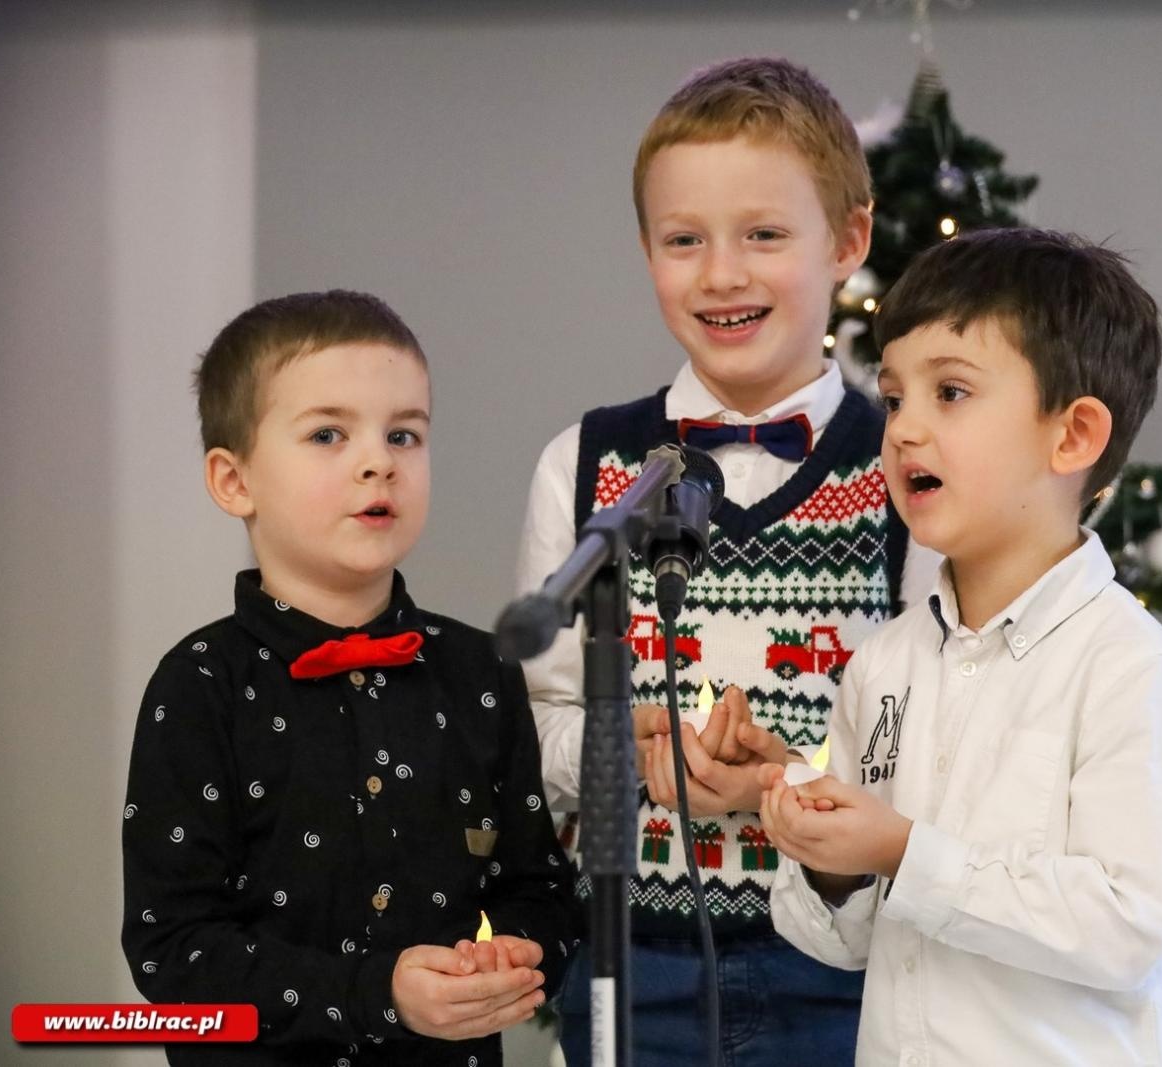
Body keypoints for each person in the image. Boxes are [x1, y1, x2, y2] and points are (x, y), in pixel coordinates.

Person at [516, 57, 938, 1067]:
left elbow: (931, 744)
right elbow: (539, 727)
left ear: (848, 239)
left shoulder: (909, 470)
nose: (721, 274)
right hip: (631, 959)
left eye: (763, 234)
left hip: (846, 969)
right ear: (646, 252)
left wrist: (778, 783)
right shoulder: (582, 462)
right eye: (683, 240)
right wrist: (634, 763)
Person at [760, 228, 1162, 1065]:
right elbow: (848, 940)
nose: (902, 429)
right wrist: (827, 855)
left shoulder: (1129, 668)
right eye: (896, 396)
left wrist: (907, 849)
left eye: (951, 392)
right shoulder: (886, 665)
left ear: (1073, 435)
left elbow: (1125, 927)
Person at [121, 290, 581, 1065]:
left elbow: (540, 890)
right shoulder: (198, 686)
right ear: (235, 482)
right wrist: (376, 992)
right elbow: (174, 950)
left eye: (405, 433)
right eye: (328, 434)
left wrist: (508, 952)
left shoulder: (480, 672)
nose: (380, 461)